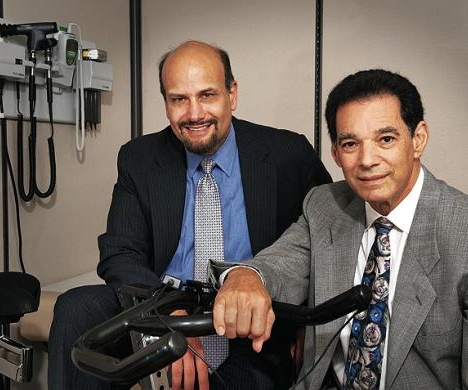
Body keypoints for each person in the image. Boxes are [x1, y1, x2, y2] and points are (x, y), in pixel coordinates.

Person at [48, 40, 331, 390]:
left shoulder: (289, 154)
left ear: (232, 94)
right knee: (76, 307)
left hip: (247, 320)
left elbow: (325, 239)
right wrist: (168, 317)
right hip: (162, 303)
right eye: (179, 99)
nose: (194, 114)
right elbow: (120, 252)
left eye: (207, 95)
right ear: (165, 103)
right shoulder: (139, 158)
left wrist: (309, 325)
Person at [213, 69, 468, 389]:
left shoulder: (462, 231)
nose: (367, 160)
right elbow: (279, 264)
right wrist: (246, 276)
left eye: (385, 139)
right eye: (350, 144)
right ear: (335, 153)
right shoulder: (324, 205)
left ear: (418, 139)